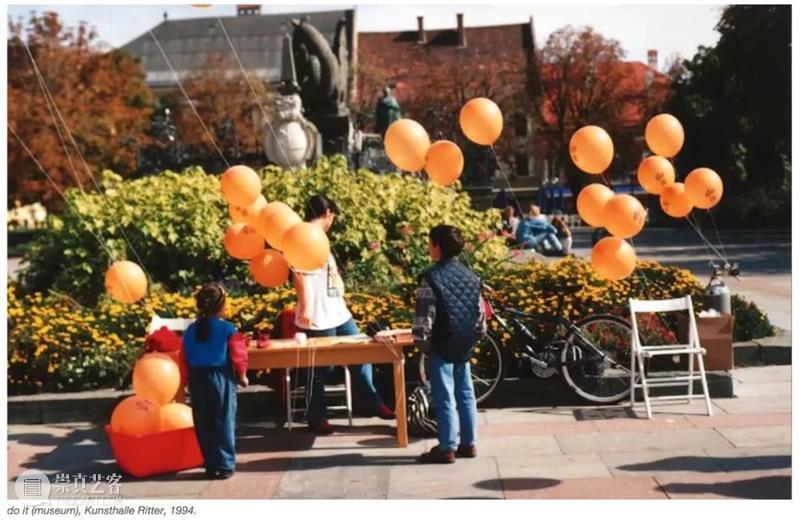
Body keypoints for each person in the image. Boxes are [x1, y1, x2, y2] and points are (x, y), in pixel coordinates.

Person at [293, 195, 395, 435]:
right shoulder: (303, 236)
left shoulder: (318, 237)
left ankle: (372, 402)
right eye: (333, 217)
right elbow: (299, 273)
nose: (332, 222)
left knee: (362, 352)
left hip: (337, 311)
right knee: (317, 367)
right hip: (317, 313)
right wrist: (306, 307)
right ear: (328, 213)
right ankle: (317, 416)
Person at [413, 225, 487, 463]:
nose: (428, 247)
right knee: (466, 393)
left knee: (444, 395)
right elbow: (480, 316)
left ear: (437, 247)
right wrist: (473, 340)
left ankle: (446, 447)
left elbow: (424, 318)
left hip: (442, 343)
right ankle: (469, 443)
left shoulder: (430, 278)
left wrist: (423, 345)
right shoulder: (471, 276)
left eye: (429, 243)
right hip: (465, 342)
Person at [183, 283, 247, 480]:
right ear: (221, 306)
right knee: (224, 419)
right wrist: (243, 374)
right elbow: (238, 353)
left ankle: (210, 464)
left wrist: (186, 379)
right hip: (221, 377)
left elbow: (183, 355)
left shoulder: (191, 329)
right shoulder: (228, 328)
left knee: (204, 422)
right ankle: (226, 464)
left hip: (197, 378)